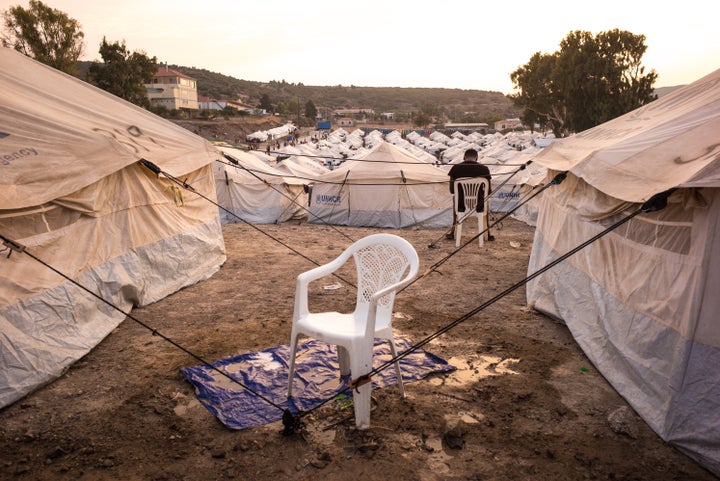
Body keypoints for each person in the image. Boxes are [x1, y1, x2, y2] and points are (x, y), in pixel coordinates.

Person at [446, 148, 493, 240]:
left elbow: (452, 190)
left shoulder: (455, 168)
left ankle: (453, 230)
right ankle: (488, 232)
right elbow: (489, 191)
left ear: (464, 157)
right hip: (479, 205)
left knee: (456, 198)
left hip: (460, 205)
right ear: (476, 158)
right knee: (485, 200)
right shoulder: (484, 169)